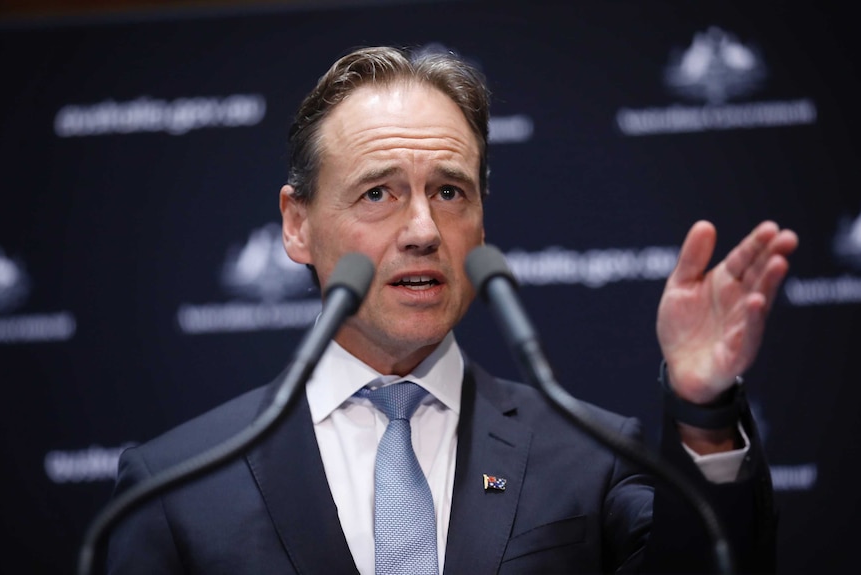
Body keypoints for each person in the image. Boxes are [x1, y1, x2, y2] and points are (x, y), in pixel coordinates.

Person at [105, 45, 798, 574]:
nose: (423, 230)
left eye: (449, 192)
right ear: (297, 224)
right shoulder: (176, 486)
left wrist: (703, 411)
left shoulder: (589, 455)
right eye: (378, 193)